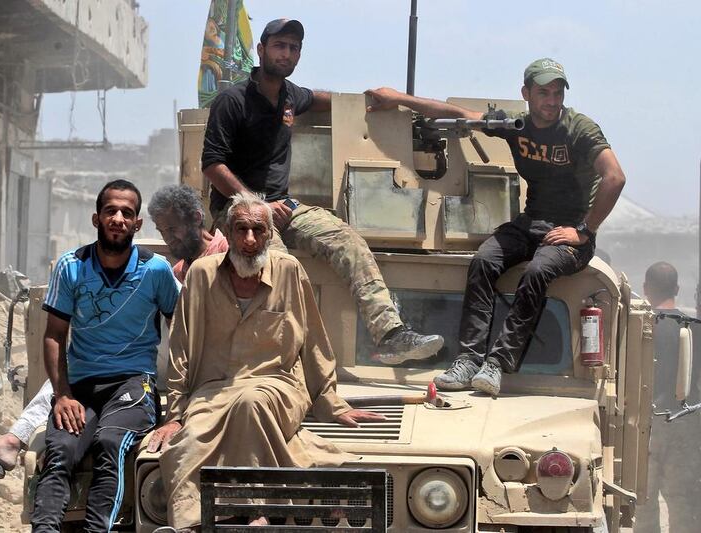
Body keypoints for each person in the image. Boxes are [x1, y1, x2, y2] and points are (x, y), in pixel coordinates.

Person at [367, 58, 626, 395]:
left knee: (538, 271)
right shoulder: (518, 126)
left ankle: (498, 363)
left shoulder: (579, 129)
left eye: (557, 93)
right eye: (543, 92)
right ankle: (469, 360)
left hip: (569, 233)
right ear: (526, 94)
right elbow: (458, 115)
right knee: (484, 260)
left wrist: (584, 231)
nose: (552, 101)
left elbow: (615, 177)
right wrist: (400, 98)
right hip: (531, 222)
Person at [201, 18, 444, 365]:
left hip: (283, 207)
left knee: (347, 240)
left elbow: (326, 101)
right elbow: (212, 163)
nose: (286, 53)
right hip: (237, 210)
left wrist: (371, 101)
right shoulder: (233, 100)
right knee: (279, 265)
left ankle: (390, 334)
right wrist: (257, 206)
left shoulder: (290, 97)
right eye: (279, 45)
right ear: (262, 50)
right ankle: (278, 358)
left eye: (293, 48)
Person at [0, 184, 229, 479]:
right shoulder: (181, 264)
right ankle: (15, 439)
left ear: (196, 219)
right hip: (168, 352)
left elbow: (193, 323)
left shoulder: (225, 258)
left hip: (199, 355)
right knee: (81, 359)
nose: (168, 238)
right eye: (163, 231)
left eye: (173, 229)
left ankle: (14, 440)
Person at [148, 193, 384, 530]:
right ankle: (190, 524)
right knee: (186, 444)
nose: (249, 240)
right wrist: (174, 415)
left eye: (258, 230)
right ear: (227, 233)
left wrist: (331, 401)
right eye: (241, 229)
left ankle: (258, 512)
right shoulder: (201, 275)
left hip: (279, 385)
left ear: (269, 235)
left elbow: (314, 340)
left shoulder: (289, 272)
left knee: (251, 402)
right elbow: (181, 350)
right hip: (213, 391)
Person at [28, 180, 182, 533]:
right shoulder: (71, 267)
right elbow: (54, 334)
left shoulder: (156, 270)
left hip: (133, 385)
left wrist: (180, 394)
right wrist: (63, 395)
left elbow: (184, 327)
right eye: (110, 211)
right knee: (61, 452)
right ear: (96, 218)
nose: (118, 218)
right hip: (80, 387)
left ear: (137, 224)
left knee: (109, 443)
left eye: (127, 213)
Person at [635, 262, 701, 533]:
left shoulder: (638, 328)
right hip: (684, 423)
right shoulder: (694, 329)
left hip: (644, 425)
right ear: (676, 288)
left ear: (645, 289)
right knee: (681, 501)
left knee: (643, 502)